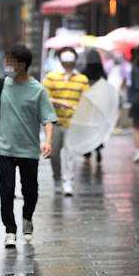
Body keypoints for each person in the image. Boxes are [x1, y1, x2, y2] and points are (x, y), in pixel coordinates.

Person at [0, 44, 57, 248]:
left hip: (29, 149)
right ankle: (10, 229)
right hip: (5, 149)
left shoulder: (37, 90)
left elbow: (48, 119)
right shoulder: (0, 86)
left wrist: (48, 141)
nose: (8, 65)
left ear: (23, 64)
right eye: (7, 61)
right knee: (6, 189)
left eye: (12, 61)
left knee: (31, 190)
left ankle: (28, 218)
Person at [42, 47, 89, 196]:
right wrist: (60, 102)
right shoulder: (51, 77)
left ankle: (68, 181)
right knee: (53, 153)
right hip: (54, 122)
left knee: (70, 153)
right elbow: (44, 98)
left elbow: (87, 99)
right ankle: (57, 178)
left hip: (73, 123)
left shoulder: (82, 80)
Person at [81, 49, 108, 164]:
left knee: (87, 127)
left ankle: (87, 150)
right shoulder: (102, 73)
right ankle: (98, 147)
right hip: (99, 103)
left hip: (87, 103)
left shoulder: (84, 72)